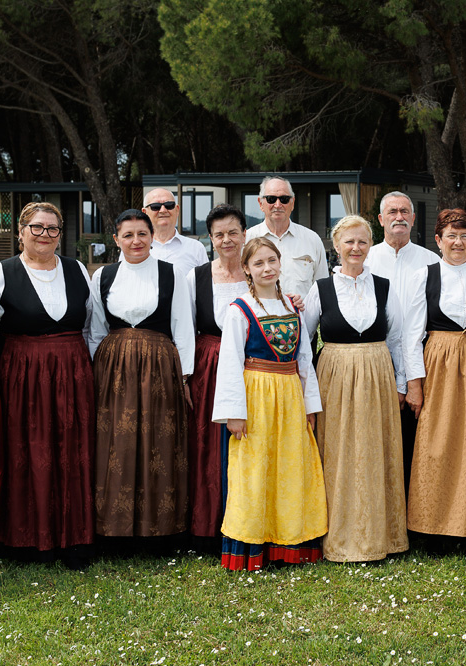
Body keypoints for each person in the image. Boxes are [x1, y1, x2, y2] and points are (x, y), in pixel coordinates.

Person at [0, 202, 95, 568]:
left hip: (73, 373)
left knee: (72, 451)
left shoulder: (78, 270)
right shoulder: (0, 273)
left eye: (52, 229)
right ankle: (22, 540)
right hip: (21, 376)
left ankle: (73, 539)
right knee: (24, 450)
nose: (44, 235)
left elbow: (93, 327)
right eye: (36, 227)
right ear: (20, 232)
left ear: (61, 235)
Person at [213, 237, 327, 570]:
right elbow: (231, 362)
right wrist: (234, 414)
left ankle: (289, 544)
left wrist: (310, 404)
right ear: (246, 269)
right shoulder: (239, 309)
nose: (267, 268)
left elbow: (304, 357)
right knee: (254, 469)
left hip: (290, 393)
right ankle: (251, 546)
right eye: (258, 263)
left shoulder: (292, 307)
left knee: (290, 468)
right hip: (256, 395)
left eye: (271, 261)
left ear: (280, 264)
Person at [303, 215, 409, 562]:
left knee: (376, 452)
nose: (356, 248)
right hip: (334, 378)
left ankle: (381, 536)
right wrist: (306, 391)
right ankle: (338, 535)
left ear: (370, 245)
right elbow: (303, 341)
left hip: (378, 377)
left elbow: (397, 338)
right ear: (336, 246)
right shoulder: (320, 289)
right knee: (338, 453)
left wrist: (401, 384)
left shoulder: (383, 286)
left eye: (362, 241)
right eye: (348, 241)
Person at [88, 209, 195, 547]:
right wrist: (99, 373)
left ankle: (160, 531)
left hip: (160, 368)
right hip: (114, 370)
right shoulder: (103, 275)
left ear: (152, 237)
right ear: (116, 239)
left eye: (142, 234)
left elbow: (183, 326)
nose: (136, 241)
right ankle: (113, 530)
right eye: (128, 235)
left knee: (158, 442)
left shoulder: (172, 273)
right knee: (115, 443)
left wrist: (185, 376)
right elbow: (95, 330)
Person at [401, 209, 466, 550]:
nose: (458, 243)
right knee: (437, 441)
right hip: (440, 365)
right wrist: (414, 384)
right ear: (438, 240)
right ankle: (432, 528)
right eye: (451, 236)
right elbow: (411, 335)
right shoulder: (424, 276)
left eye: (465, 236)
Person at [364, 191, 439, 493]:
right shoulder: (366, 259)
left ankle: (414, 506)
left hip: (422, 356)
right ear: (381, 219)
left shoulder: (430, 261)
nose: (399, 217)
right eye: (392, 212)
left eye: (405, 211)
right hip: (377, 355)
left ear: (413, 218)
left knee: (416, 431)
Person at [184, 204, 249, 548]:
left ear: (244, 234)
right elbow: (184, 328)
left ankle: (248, 521)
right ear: (210, 239)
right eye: (219, 234)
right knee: (209, 446)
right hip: (209, 363)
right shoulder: (195, 277)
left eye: (233, 232)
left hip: (252, 367)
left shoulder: (258, 271)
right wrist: (186, 377)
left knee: (248, 443)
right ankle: (210, 525)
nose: (226, 239)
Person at [245, 176, 327, 299]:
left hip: (302, 317)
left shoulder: (312, 239)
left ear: (292, 203)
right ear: (260, 203)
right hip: (259, 317)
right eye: (271, 199)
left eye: (284, 199)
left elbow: (322, 289)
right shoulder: (247, 240)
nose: (278, 205)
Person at [143, 188, 209, 278]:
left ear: (177, 210)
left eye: (169, 205)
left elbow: (205, 286)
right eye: (156, 206)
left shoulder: (196, 248)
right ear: (145, 212)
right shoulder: (135, 248)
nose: (163, 210)